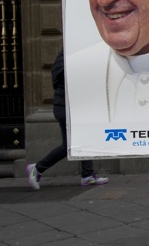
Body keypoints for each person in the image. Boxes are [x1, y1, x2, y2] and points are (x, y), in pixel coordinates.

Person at [26, 50, 108, 189]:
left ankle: (87, 175)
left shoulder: (67, 59)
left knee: (84, 141)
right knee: (69, 146)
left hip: (70, 107)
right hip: (66, 108)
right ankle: (38, 168)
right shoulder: (67, 60)